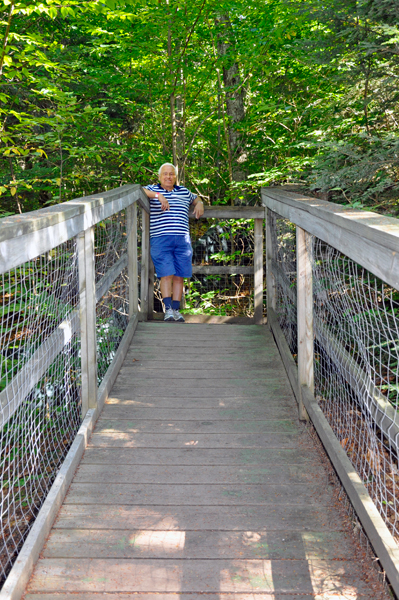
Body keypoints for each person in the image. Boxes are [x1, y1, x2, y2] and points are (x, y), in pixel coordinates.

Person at [144, 163, 204, 322]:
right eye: (165, 174)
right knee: (166, 274)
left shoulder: (183, 191)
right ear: (159, 176)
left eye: (171, 174)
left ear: (175, 176)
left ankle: (176, 311)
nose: (168, 177)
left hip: (183, 240)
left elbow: (195, 198)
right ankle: (168, 310)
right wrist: (158, 196)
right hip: (161, 238)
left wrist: (200, 203)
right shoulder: (152, 189)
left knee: (179, 275)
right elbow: (138, 192)